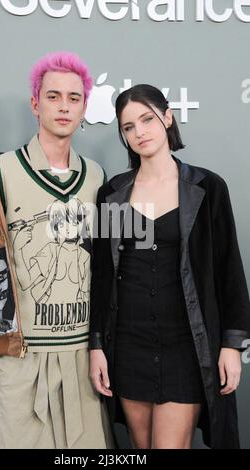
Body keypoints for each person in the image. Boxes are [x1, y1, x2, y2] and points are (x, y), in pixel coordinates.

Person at [0, 51, 113, 449]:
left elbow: (107, 268)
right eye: (53, 96)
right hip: (16, 360)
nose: (63, 106)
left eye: (74, 99)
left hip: (80, 361)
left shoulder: (96, 176)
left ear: (84, 107)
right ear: (35, 103)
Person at [89, 84, 250, 449]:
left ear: (167, 117)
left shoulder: (207, 187)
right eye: (128, 127)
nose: (139, 132)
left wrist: (232, 345)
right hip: (128, 345)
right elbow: (101, 276)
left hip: (186, 346)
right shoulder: (113, 193)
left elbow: (229, 271)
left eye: (146, 119)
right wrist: (96, 344)